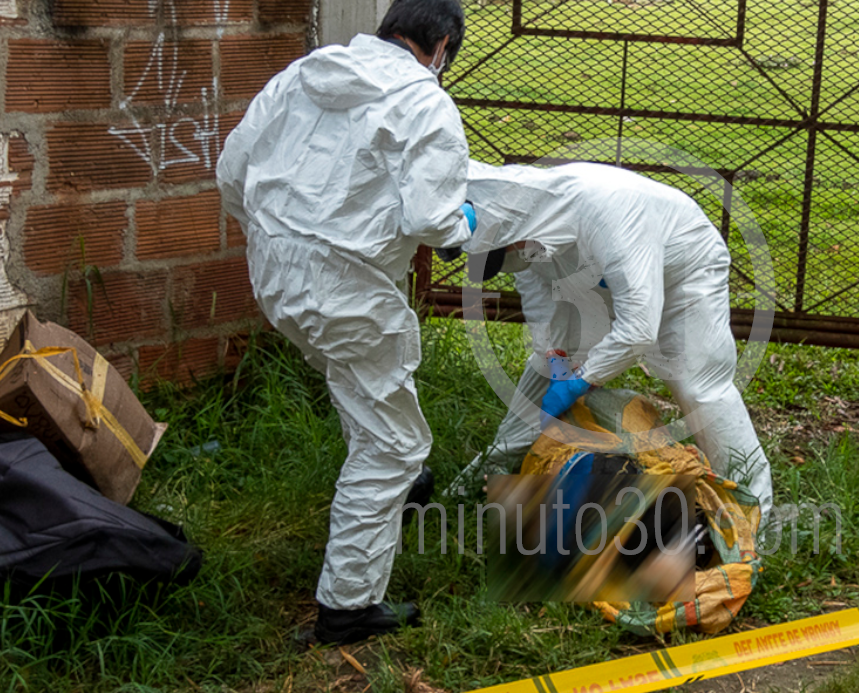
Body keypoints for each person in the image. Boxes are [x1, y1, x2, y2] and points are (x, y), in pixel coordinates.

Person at [216, 0, 474, 645]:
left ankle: (392, 490)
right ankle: (349, 607)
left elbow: (231, 172)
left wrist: (277, 242)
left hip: (275, 275)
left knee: (361, 385)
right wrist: (467, 224)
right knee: (394, 445)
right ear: (440, 44)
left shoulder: (302, 74)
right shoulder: (426, 103)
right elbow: (432, 220)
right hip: (347, 292)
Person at [455, 160, 774, 522]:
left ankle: (753, 513)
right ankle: (487, 474)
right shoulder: (525, 235)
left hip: (682, 273)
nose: (514, 255)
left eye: (509, 249)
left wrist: (581, 379)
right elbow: (542, 303)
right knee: (545, 366)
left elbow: (638, 326)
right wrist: (558, 358)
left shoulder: (608, 211)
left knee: (699, 385)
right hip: (594, 277)